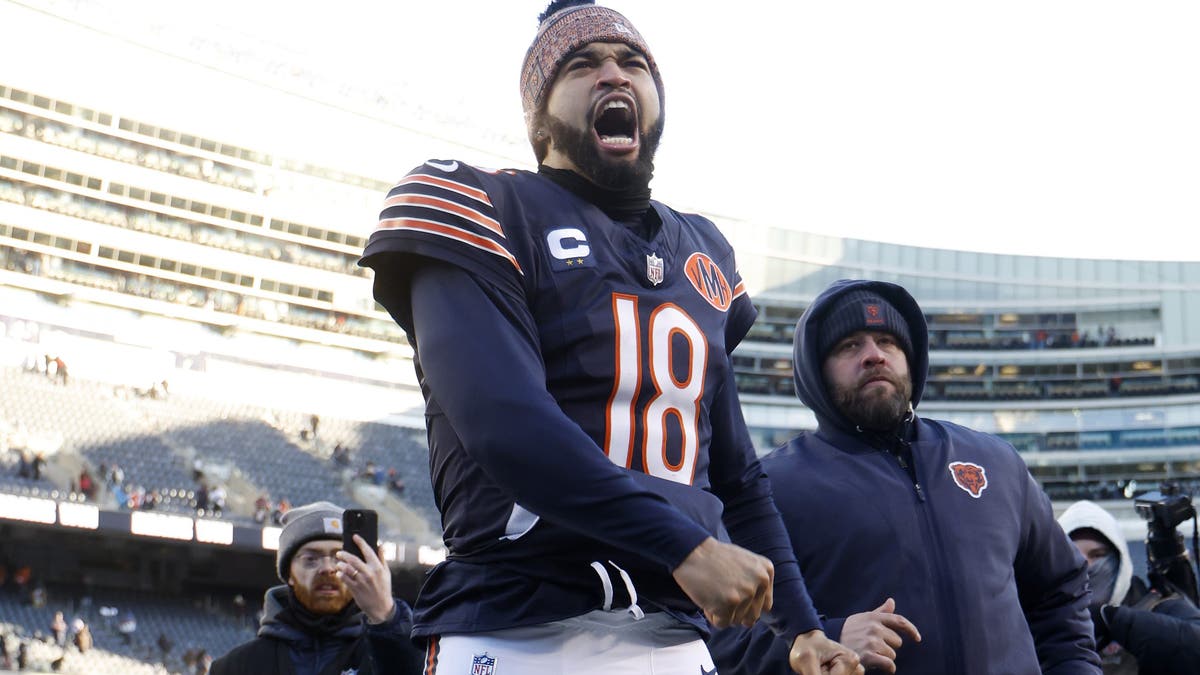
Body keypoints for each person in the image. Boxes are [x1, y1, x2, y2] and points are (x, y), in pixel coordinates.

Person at [358, 2, 860, 673]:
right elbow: (504, 423)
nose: (612, 74)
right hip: (519, 627)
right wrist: (686, 547)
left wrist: (802, 627)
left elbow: (736, 476)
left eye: (632, 62)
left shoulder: (702, 252)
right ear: (538, 116)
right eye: (581, 63)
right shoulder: (482, 204)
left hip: (672, 639)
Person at [707, 279, 1101, 674]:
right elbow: (724, 640)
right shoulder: (769, 490)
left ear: (911, 358)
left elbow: (1060, 590)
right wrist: (828, 638)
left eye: (887, 341)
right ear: (816, 372)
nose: (874, 355)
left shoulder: (995, 462)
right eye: (849, 346)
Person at [209, 501, 422, 675]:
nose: (328, 569)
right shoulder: (235, 668)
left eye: (339, 558)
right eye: (311, 559)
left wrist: (385, 615)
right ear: (288, 574)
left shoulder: (385, 654)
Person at [1058, 499, 1200, 674]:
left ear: (1120, 559)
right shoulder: (1038, 618)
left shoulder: (1158, 606)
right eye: (1073, 556)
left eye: (1098, 555)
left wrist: (1114, 619)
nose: (1085, 566)